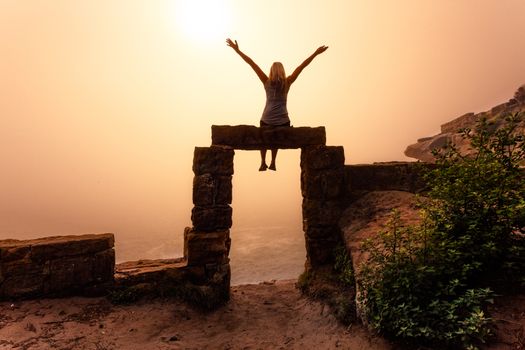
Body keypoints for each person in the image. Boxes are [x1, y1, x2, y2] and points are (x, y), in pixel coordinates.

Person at [226, 38, 328, 171]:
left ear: (271, 71)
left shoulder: (266, 81)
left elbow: (251, 63)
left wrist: (237, 50)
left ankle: (263, 162)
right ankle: (273, 162)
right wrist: (315, 53)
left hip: (267, 119)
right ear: (282, 71)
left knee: (264, 136)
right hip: (283, 121)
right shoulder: (288, 81)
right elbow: (302, 66)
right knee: (276, 136)